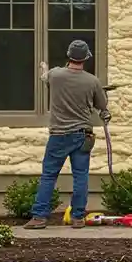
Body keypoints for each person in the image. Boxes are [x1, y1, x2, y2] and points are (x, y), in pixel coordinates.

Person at [25, 40, 109, 229]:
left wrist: (44, 68)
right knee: (81, 176)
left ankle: (39, 217)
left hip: (58, 135)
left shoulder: (55, 75)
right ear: (86, 58)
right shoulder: (92, 81)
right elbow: (102, 107)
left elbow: (44, 77)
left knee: (48, 176)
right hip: (82, 135)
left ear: (68, 56)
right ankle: (78, 217)